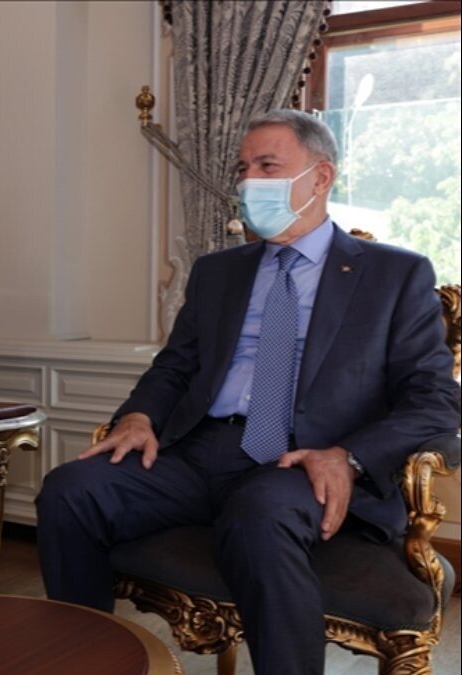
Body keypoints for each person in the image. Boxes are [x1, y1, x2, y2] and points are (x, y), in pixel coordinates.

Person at [35, 109, 459, 675]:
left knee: (259, 514)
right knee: (71, 489)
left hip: (302, 460)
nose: (248, 181)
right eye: (243, 168)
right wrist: (138, 416)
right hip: (197, 452)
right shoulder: (218, 272)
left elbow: (434, 398)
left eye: (267, 166)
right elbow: (175, 366)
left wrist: (348, 456)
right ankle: (88, 664)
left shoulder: (394, 275)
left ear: (320, 177)